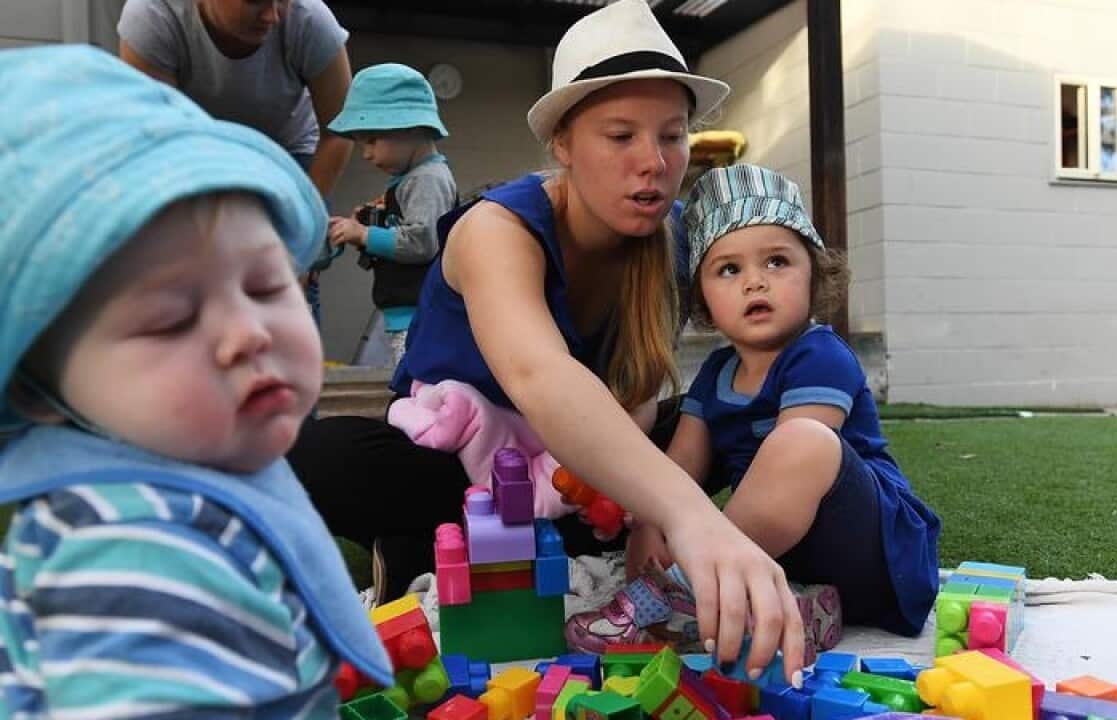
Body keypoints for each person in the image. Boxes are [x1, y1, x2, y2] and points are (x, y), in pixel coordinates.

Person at [287, 0, 806, 682]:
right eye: (620, 136)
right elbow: (540, 376)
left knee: (736, 420)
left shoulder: (676, 236)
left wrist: (645, 491)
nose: (652, 163)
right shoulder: (498, 227)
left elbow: (647, 389)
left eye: (672, 137)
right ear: (562, 143)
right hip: (465, 462)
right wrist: (686, 513)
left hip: (588, 465)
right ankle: (446, 538)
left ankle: (510, 540)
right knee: (318, 452)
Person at [0, 46, 390, 716]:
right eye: (170, 320)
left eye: (268, 285)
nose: (248, 333)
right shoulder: (137, 549)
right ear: (39, 394)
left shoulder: (183, 485)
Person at [568, 165, 941, 656]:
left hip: (872, 551)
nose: (754, 283)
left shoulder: (818, 355)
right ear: (701, 297)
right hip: (796, 562)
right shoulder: (716, 373)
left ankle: (693, 585)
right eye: (729, 269)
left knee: (801, 440)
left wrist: (695, 549)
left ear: (815, 274)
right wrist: (649, 526)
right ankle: (789, 607)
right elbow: (679, 469)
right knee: (664, 499)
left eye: (777, 262)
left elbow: (802, 463)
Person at [117, 0, 355, 321]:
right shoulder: (154, 15)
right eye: (256, 1)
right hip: (190, 156)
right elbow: (158, 140)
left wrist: (299, 236)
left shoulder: (310, 20)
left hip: (290, 158)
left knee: (284, 281)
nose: (272, 15)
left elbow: (339, 132)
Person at [326, 63, 458, 367]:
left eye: (371, 140)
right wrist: (369, 225)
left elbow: (422, 242)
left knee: (416, 385)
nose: (366, 154)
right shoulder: (410, 179)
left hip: (419, 314)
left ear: (409, 126)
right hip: (406, 313)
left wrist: (363, 234)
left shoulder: (427, 179)